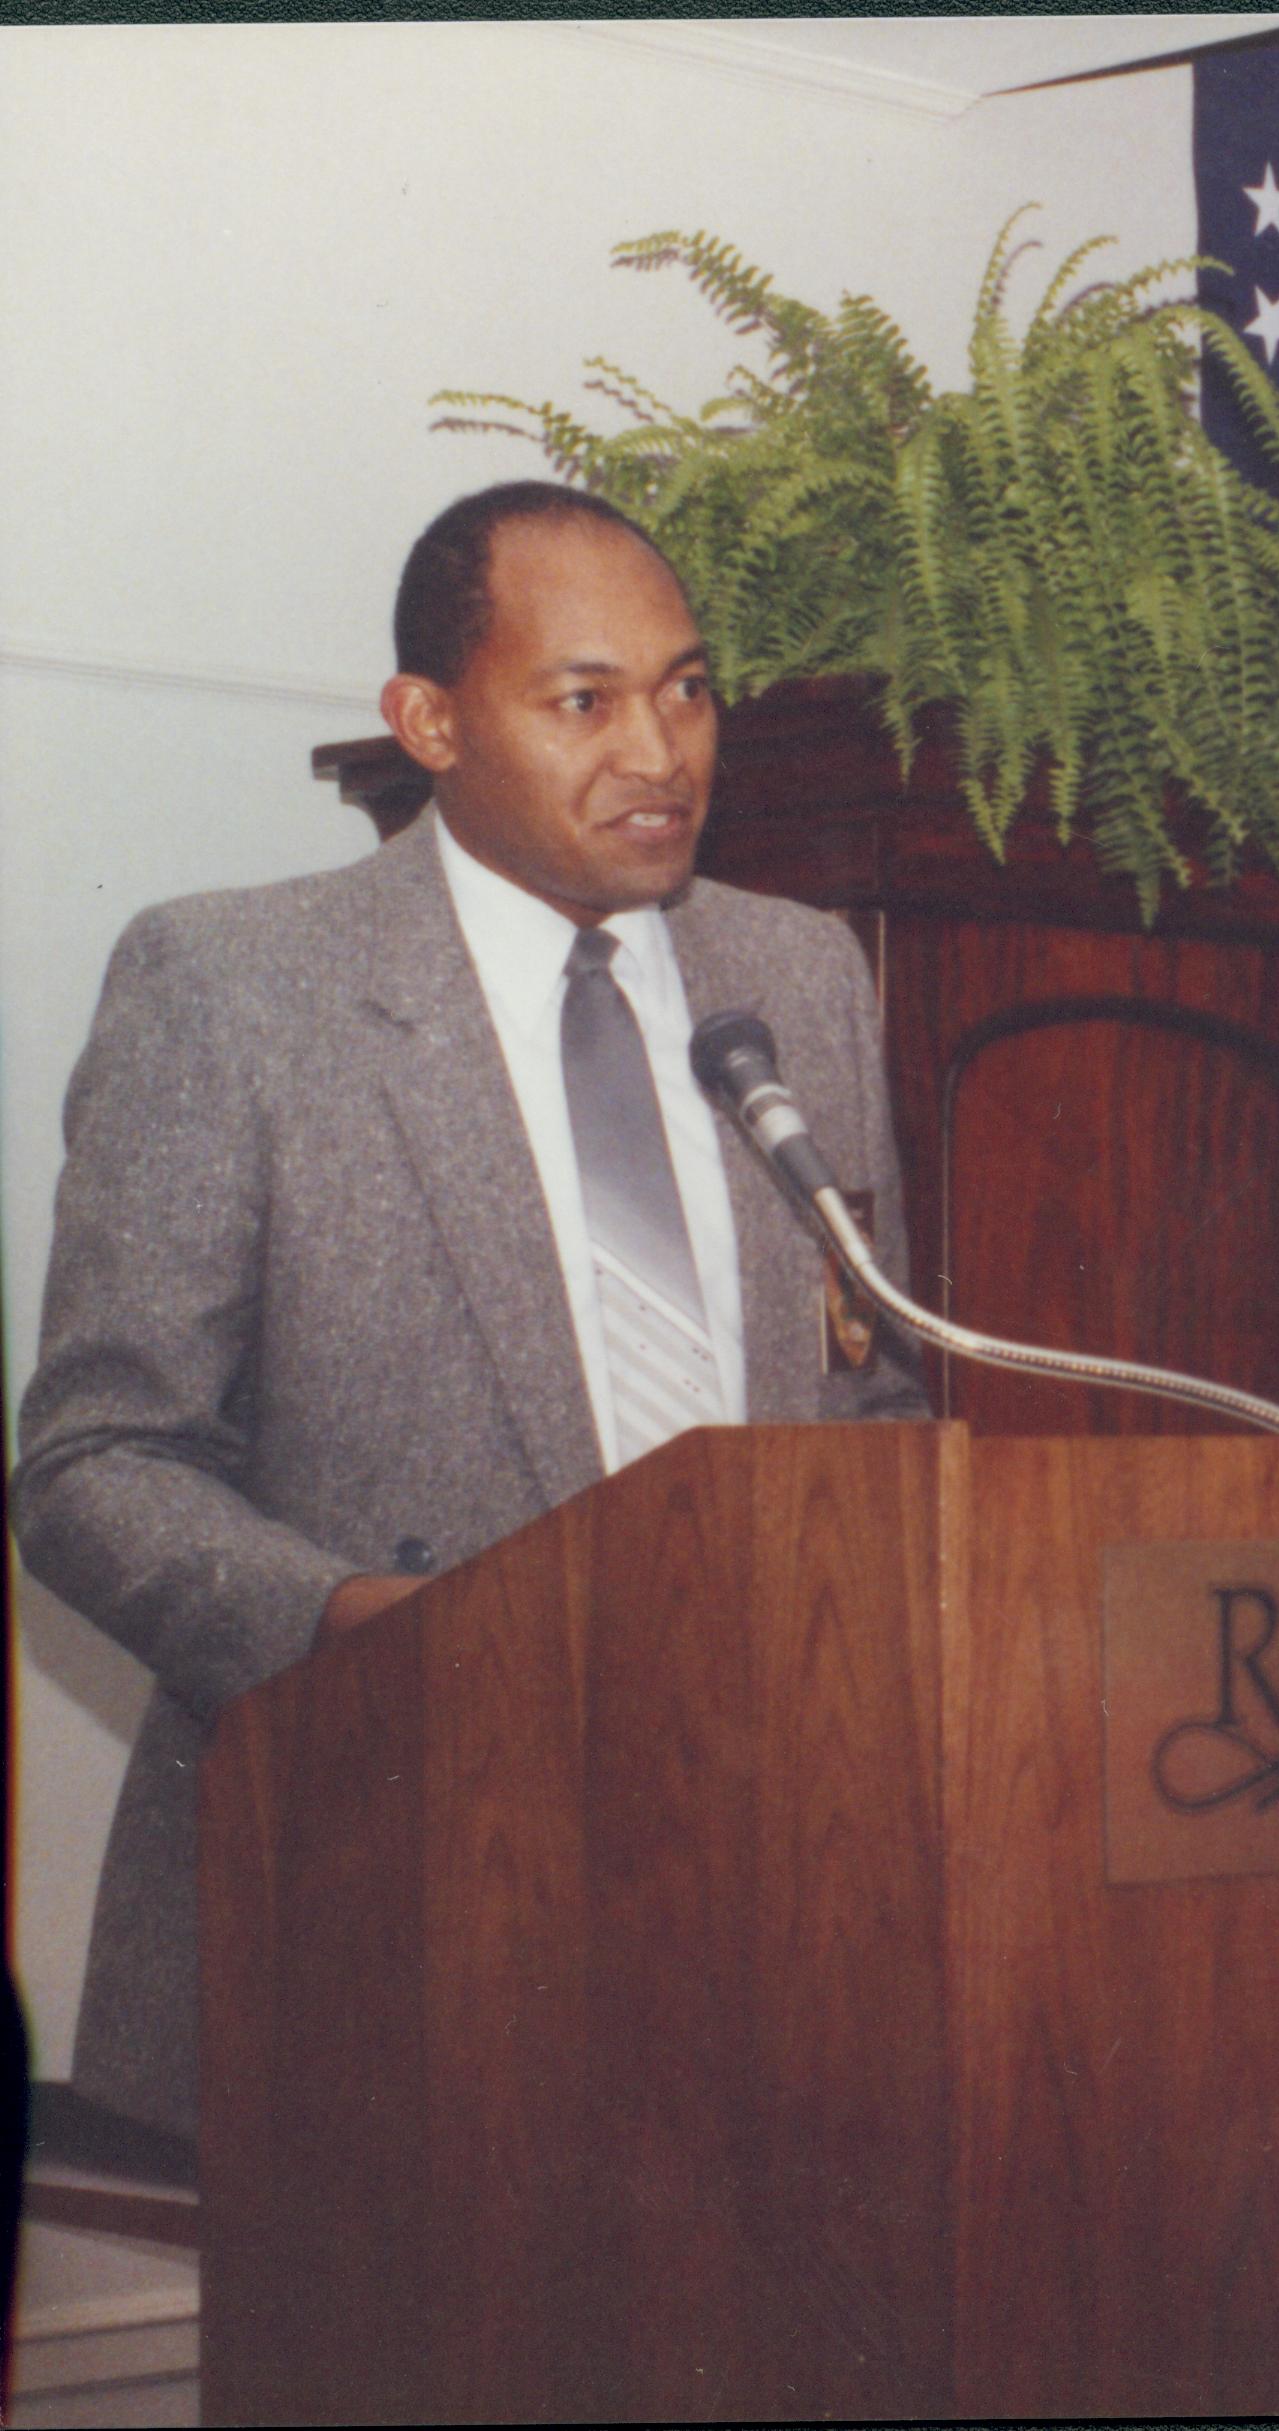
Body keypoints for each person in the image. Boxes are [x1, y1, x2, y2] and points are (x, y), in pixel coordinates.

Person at [11, 482, 931, 2141]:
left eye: (689, 689)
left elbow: (871, 1403)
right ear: (429, 721)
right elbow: (96, 1463)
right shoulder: (234, 989)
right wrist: (358, 1633)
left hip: (775, 1894)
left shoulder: (799, 981)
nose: (660, 751)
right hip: (375, 1879)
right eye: (586, 701)